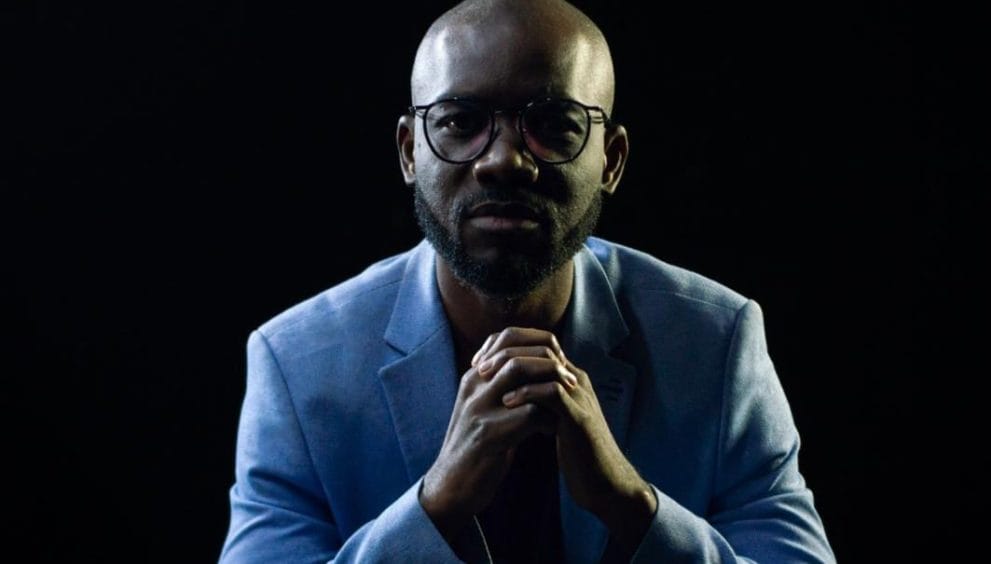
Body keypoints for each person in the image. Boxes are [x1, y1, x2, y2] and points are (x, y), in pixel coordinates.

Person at [219, 0, 835, 561]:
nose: (504, 159)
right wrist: (436, 506)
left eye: (555, 123)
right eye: (460, 121)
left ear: (612, 160)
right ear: (409, 152)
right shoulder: (297, 364)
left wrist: (630, 503)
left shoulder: (715, 341)